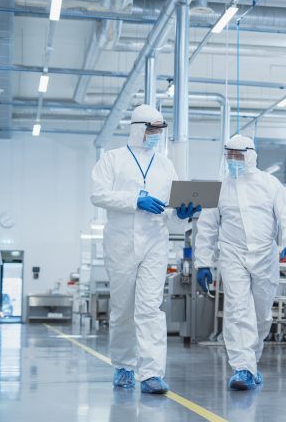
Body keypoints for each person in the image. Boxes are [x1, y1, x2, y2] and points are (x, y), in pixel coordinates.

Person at [91, 104, 200, 394]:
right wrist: (135, 200)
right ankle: (124, 366)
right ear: (138, 128)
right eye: (152, 130)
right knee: (123, 308)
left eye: (159, 131)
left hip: (155, 241)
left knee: (150, 308)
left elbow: (172, 211)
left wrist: (183, 213)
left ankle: (151, 373)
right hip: (121, 242)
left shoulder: (165, 165)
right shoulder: (112, 159)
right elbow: (98, 195)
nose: (156, 135)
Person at [194, 135, 286, 391]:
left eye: (238, 155)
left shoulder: (270, 184)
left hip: (265, 256)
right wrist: (203, 262)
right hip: (232, 254)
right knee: (238, 310)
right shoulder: (218, 188)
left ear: (250, 155)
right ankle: (242, 368)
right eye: (229, 155)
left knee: (262, 315)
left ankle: (251, 362)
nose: (233, 160)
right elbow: (206, 227)